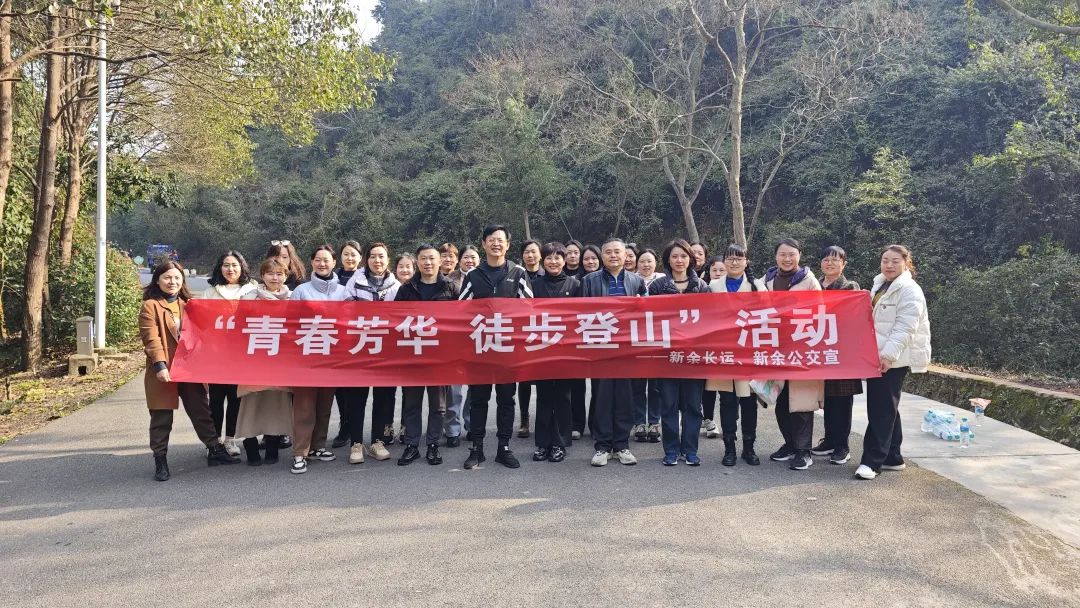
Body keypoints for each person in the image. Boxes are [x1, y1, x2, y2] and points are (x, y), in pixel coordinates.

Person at [140, 261, 239, 481]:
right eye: (167, 277)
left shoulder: (190, 305)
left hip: (189, 368)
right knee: (161, 416)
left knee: (201, 410)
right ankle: (160, 459)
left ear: (182, 281)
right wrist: (160, 365)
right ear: (157, 280)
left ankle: (214, 449)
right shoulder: (150, 306)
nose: (172, 282)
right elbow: (151, 339)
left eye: (177, 278)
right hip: (163, 369)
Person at [458, 224, 533, 470]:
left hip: (508, 352)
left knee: (506, 400)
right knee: (478, 400)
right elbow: (460, 311)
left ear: (508, 245)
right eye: (491, 239)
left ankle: (504, 447)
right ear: (483, 244)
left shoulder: (518, 273)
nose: (496, 244)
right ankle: (477, 448)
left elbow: (529, 310)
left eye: (500, 240)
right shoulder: (473, 275)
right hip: (480, 349)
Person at [856, 245, 931, 480]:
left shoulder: (909, 290)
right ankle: (892, 457)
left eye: (895, 261)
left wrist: (888, 356)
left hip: (891, 358)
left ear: (906, 263)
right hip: (878, 354)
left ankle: (872, 462)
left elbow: (905, 328)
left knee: (880, 409)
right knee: (888, 407)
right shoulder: (881, 284)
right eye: (885, 260)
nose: (889, 265)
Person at [580, 237, 645, 467]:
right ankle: (602, 446)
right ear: (602, 256)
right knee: (602, 397)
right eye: (608, 252)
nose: (613, 256)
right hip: (601, 348)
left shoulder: (637, 281)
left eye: (618, 251)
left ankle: (622, 445)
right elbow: (580, 313)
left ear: (626, 255)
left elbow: (646, 315)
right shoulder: (589, 281)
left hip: (627, 350)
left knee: (625, 397)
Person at [393, 244, 459, 466]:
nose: (428, 263)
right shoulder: (406, 289)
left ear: (440, 261)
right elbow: (394, 320)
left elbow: (462, 321)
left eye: (432, 258)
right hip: (412, 355)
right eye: (423, 259)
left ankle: (432, 444)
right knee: (411, 403)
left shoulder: (451, 288)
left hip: (440, 357)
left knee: (438, 406)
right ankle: (412, 445)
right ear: (417, 262)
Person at [763, 238, 824, 471]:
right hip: (775, 348)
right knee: (780, 400)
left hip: (801, 348)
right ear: (776, 256)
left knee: (801, 402)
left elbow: (819, 314)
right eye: (782, 254)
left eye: (791, 254)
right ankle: (789, 444)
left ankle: (803, 451)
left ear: (799, 255)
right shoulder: (767, 280)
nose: (787, 259)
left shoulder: (809, 281)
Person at [648, 239, 710, 466]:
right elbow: (651, 320)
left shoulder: (702, 287)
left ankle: (690, 450)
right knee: (669, 406)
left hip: (694, 357)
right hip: (667, 355)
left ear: (690, 259)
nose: (679, 260)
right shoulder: (657, 287)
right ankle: (671, 450)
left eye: (683, 256)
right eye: (674, 256)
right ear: (668, 260)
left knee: (693, 406)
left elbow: (711, 320)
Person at [288, 245, 348, 474]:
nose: (322, 264)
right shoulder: (301, 291)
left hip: (332, 358)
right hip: (306, 358)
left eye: (327, 260)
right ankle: (299, 452)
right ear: (312, 262)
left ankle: (318, 446)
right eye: (318, 260)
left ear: (334, 263)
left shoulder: (343, 291)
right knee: (304, 407)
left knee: (324, 405)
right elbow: (290, 323)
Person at [342, 242, 401, 462]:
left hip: (386, 349)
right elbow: (346, 310)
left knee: (383, 398)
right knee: (356, 398)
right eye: (373, 256)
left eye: (381, 256)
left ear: (388, 259)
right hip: (360, 346)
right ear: (366, 260)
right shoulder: (355, 282)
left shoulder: (396, 286)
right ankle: (356, 443)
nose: (377, 260)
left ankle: (378, 441)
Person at [708, 244, 765, 466]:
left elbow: (767, 318)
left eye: (739, 258)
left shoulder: (757, 286)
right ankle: (729, 448)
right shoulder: (713, 285)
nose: (734, 262)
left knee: (749, 402)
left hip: (748, 352)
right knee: (727, 402)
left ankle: (749, 448)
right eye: (730, 258)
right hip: (723, 351)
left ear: (746, 261)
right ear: (724, 261)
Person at [236, 258, 294, 466]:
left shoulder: (293, 299)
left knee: (276, 405)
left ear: (285, 276)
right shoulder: (249, 298)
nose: (274, 278)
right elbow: (239, 328)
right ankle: (251, 448)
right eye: (270, 273)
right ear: (262, 275)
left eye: (279, 274)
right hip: (253, 361)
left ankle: (272, 448)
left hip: (280, 362)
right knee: (250, 405)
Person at [202, 250, 259, 457]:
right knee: (216, 400)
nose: (230, 269)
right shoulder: (210, 292)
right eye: (226, 265)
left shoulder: (252, 290)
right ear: (220, 268)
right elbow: (201, 320)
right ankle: (214, 441)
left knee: (236, 399)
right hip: (217, 354)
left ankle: (230, 439)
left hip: (241, 354)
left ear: (242, 267)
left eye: (234, 265)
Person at [810, 246, 863, 465]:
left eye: (835, 260)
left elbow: (852, 316)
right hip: (818, 350)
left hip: (842, 352)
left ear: (844, 264)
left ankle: (842, 445)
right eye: (826, 259)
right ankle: (829, 440)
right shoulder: (813, 286)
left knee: (842, 400)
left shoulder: (850, 287)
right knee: (828, 399)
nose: (830, 263)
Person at [529, 242, 581, 463]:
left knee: (563, 398)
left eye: (557, 257)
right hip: (540, 350)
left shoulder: (575, 285)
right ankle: (542, 443)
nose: (553, 261)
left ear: (564, 259)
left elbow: (582, 317)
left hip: (565, 351)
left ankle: (560, 443)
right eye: (549, 258)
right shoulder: (534, 285)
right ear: (543, 260)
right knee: (543, 398)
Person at [331, 240, 364, 449]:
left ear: (360, 257)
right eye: (346, 254)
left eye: (353, 254)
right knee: (340, 388)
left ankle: (353, 425)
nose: (350, 258)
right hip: (337, 338)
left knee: (355, 388)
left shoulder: (365, 278)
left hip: (360, 338)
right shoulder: (332, 279)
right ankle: (345, 425)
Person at [631, 249, 663, 443]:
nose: (646, 265)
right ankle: (639, 422)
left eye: (649, 261)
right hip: (636, 339)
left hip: (658, 338)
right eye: (642, 261)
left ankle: (654, 422)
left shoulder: (663, 281)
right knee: (638, 384)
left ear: (656, 263)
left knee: (656, 386)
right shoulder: (631, 281)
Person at [437, 242, 466, 447]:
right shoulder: (430, 278)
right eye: (444, 255)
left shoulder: (463, 281)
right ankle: (435, 427)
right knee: (436, 391)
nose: (448, 259)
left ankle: (453, 430)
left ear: (457, 259)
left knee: (455, 390)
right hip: (432, 340)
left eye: (451, 256)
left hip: (456, 342)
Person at [516, 239, 544, 439]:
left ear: (541, 254)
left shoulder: (547, 274)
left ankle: (542, 418)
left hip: (544, 331)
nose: (531, 255)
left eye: (534, 251)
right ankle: (524, 420)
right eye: (527, 252)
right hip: (522, 332)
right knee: (524, 379)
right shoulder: (517, 275)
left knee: (543, 379)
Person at [700, 255, 727, 439]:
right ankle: (708, 420)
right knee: (708, 387)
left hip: (728, 345)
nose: (717, 273)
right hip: (707, 345)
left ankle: (729, 423)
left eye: (721, 270)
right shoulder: (703, 289)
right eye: (714, 270)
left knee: (727, 389)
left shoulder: (734, 288)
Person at [564, 239, 588, 437]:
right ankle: (564, 420)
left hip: (581, 334)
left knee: (579, 385)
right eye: (568, 252)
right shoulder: (556, 274)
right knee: (564, 383)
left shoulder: (585, 278)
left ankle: (578, 424)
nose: (572, 256)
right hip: (560, 335)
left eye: (575, 252)